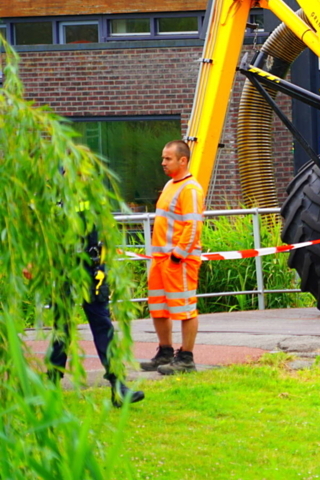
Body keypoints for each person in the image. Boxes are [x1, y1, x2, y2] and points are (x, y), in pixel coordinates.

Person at [38, 224, 145, 407]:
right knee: (62, 324)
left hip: (94, 264)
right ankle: (52, 384)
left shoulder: (94, 196)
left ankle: (118, 385)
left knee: (102, 323)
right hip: (64, 266)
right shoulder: (58, 196)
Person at [139, 140, 205, 375]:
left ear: (183, 160)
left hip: (178, 261)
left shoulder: (191, 189)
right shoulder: (170, 185)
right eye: (163, 158)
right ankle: (165, 352)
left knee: (185, 308)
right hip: (160, 260)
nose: (163, 162)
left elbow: (193, 226)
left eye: (168, 158)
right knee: (159, 307)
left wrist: (178, 256)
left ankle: (186, 358)